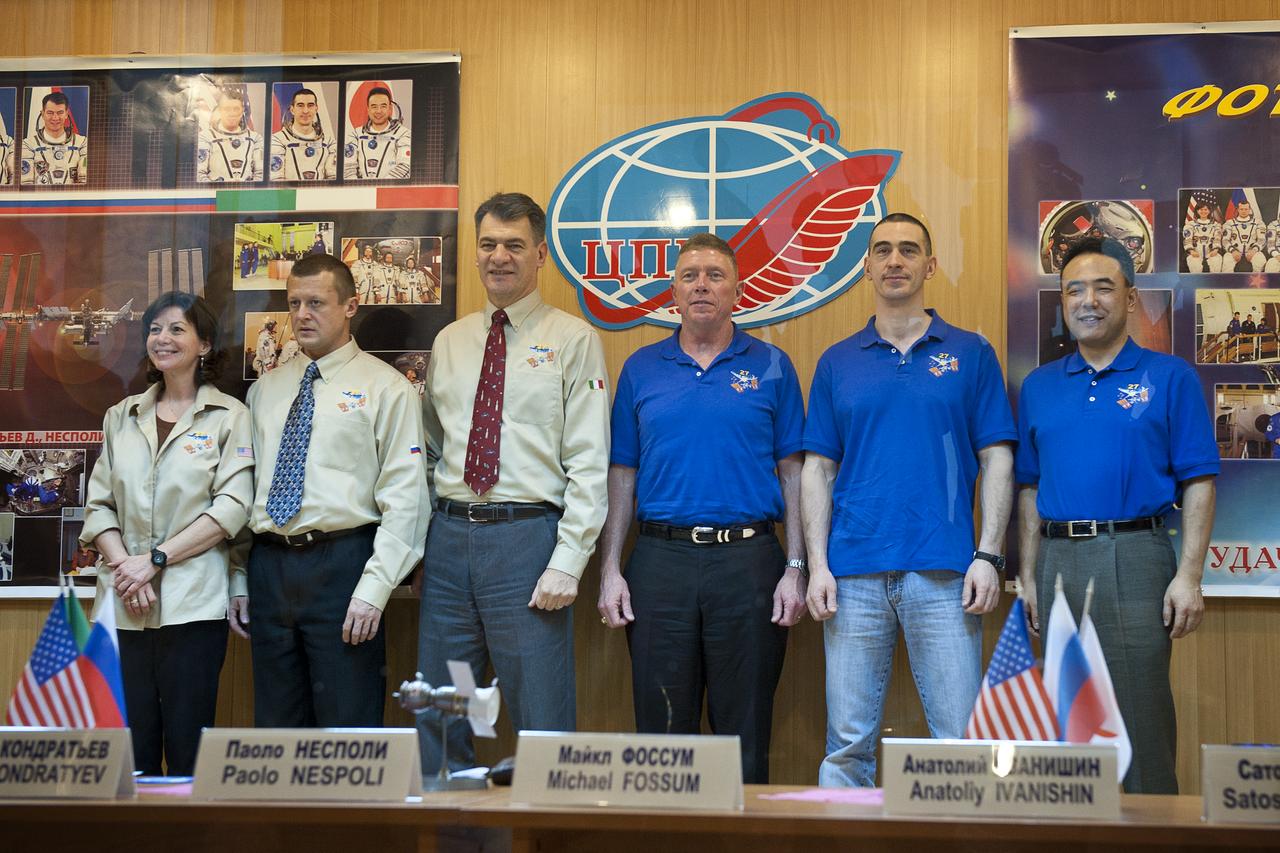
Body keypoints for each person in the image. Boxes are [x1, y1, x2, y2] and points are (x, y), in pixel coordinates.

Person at [802, 212, 1016, 788]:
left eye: (908, 250)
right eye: (883, 251)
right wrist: (818, 566)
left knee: (961, 743)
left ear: (930, 264)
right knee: (846, 748)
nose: (895, 260)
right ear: (866, 266)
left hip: (946, 571)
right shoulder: (837, 362)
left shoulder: (971, 354)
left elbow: (998, 457)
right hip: (852, 574)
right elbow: (817, 469)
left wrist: (989, 554)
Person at [597, 233, 806, 784]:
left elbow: (794, 473)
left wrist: (797, 566)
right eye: (690, 275)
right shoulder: (642, 369)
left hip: (750, 563)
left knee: (745, 734)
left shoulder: (772, 365)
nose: (702, 285)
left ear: (738, 291)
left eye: (715, 275)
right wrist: (611, 568)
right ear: (673, 291)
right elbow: (622, 473)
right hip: (659, 564)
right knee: (662, 738)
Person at [1016, 236, 1218, 794]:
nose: (1088, 300)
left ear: (1130, 299)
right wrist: (1028, 575)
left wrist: (1191, 575)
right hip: (1056, 559)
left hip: (1135, 557)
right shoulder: (1038, 387)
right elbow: (1029, 489)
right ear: (1062, 302)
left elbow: (1199, 481)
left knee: (1139, 721)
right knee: (1069, 725)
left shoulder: (1170, 377)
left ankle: (1155, 835)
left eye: (1104, 287)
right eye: (1074, 289)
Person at [418, 192, 609, 770]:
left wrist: (568, 560)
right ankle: (452, 832)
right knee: (445, 707)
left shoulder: (573, 340)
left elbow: (589, 461)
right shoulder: (450, 341)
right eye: (488, 244)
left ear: (541, 254)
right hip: (450, 546)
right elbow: (428, 448)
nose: (500, 256)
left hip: (527, 545)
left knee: (540, 712)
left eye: (514, 245)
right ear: (475, 253)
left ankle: (544, 832)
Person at [244, 253, 428, 727]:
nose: (302, 314)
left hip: (344, 567)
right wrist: (237, 578)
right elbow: (242, 489)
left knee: (348, 723)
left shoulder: (387, 389)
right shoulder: (266, 389)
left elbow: (406, 497)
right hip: (269, 566)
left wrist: (375, 588)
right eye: (294, 303)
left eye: (317, 303)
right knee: (275, 726)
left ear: (351, 305)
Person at [80, 292, 254, 776]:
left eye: (178, 329)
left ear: (204, 344)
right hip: (122, 605)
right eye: (155, 329)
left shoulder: (229, 417)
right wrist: (127, 571)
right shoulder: (122, 415)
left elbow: (232, 508)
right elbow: (99, 506)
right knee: (126, 756)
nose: (163, 338)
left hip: (192, 607)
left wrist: (153, 561)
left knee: (187, 752)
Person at [343, 86, 411, 180]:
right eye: (374, 106)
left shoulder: (403, 134)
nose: (378, 111)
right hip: (361, 190)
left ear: (390, 108)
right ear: (368, 109)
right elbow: (347, 166)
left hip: (390, 190)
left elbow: (405, 166)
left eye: (383, 106)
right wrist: (357, 188)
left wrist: (382, 188)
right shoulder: (356, 134)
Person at [197, 88, 263, 183]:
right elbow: (200, 175)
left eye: (236, 109)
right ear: (219, 110)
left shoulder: (255, 138)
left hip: (246, 193)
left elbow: (260, 174)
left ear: (242, 111)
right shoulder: (206, 137)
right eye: (227, 109)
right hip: (216, 193)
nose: (232, 113)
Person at [21, 91, 88, 186]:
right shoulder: (28, 145)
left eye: (60, 112)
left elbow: (85, 183)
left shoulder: (82, 143)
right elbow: (25, 185)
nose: (55, 118)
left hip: (71, 199)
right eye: (50, 113)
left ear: (66, 114)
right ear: (42, 114)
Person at [270, 88, 336, 182]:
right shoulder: (278, 140)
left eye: (310, 105)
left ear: (316, 108)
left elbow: (333, 178)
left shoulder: (328, 141)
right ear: (292, 109)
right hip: (291, 195)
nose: (305, 111)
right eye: (300, 105)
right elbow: (276, 180)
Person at [1220, 200, 1265, 273]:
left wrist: (1254, 250)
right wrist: (1232, 250)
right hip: (1234, 251)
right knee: (1227, 263)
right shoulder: (1229, 223)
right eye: (1241, 209)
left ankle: (1255, 283)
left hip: (1252, 251)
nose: (1244, 211)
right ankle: (1229, 283)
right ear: (1237, 209)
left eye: (1246, 209)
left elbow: (1262, 239)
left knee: (1260, 260)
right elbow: (1225, 240)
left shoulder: (1258, 223)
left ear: (1250, 209)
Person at [1183, 202, 1223, 273]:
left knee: (1217, 263)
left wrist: (1216, 249)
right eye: (1201, 209)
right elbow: (1187, 239)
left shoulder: (1216, 225)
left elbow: (1217, 238)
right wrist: (1191, 251)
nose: (1203, 211)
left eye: (1206, 209)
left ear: (1209, 211)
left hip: (1211, 252)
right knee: (1195, 267)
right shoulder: (1190, 224)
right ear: (1197, 211)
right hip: (1195, 252)